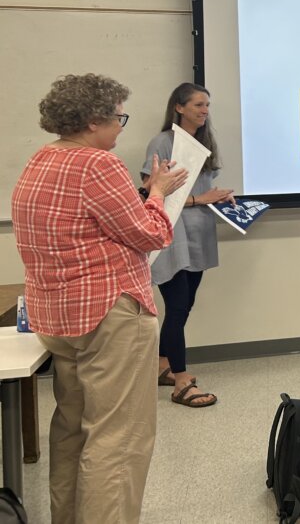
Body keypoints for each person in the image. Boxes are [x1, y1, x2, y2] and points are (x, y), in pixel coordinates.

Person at [11, 73, 186, 524]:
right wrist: (158, 194)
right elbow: (150, 234)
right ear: (93, 120)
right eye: (117, 118)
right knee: (118, 440)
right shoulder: (97, 165)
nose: (121, 126)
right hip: (110, 316)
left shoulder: (40, 160)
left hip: (58, 318)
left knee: (72, 429)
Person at [141, 83, 233, 408]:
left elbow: (204, 187)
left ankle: (163, 364)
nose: (205, 110)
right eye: (198, 105)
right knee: (177, 308)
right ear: (178, 107)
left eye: (207, 105)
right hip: (170, 236)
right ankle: (181, 382)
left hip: (198, 234)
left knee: (185, 305)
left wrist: (220, 196)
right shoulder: (163, 142)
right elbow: (150, 190)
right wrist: (199, 199)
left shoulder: (203, 142)